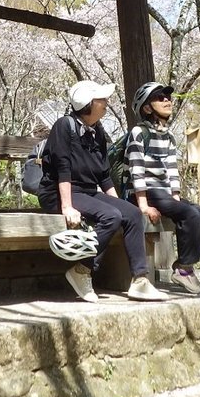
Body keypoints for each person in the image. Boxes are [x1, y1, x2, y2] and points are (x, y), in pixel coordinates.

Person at [38, 80, 168, 303]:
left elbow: (104, 175)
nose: (107, 102)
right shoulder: (64, 126)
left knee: (131, 213)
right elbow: (63, 169)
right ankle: (81, 270)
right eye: (102, 99)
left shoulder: (97, 131)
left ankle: (140, 280)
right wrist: (67, 207)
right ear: (89, 103)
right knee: (111, 216)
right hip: (59, 193)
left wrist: (121, 204)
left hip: (87, 192)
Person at [126, 82, 200, 294]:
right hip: (145, 192)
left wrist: (175, 196)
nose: (167, 101)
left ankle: (185, 264)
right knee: (189, 214)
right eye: (160, 98)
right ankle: (185, 271)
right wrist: (143, 205)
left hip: (164, 193)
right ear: (147, 107)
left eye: (168, 97)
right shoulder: (138, 132)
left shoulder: (168, 136)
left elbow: (172, 169)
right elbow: (136, 169)